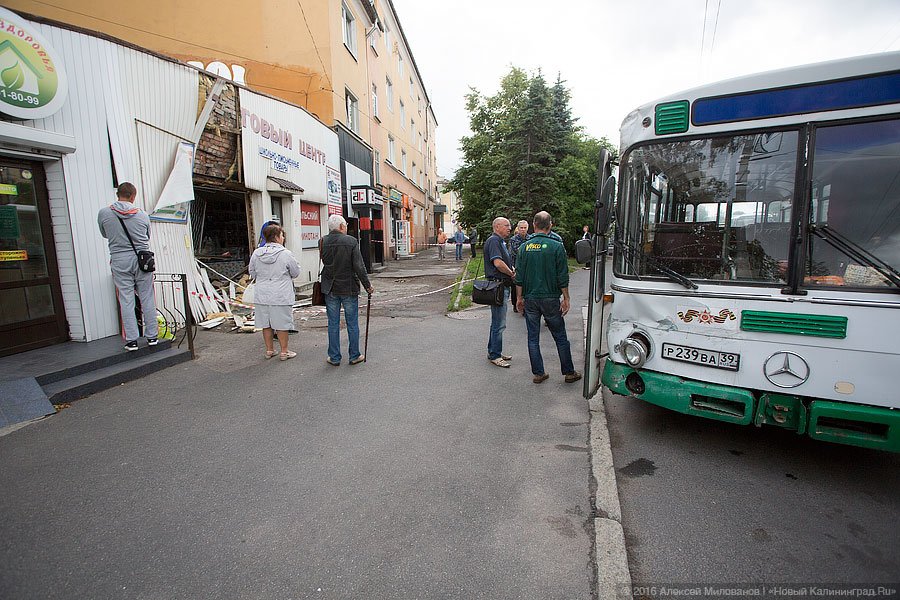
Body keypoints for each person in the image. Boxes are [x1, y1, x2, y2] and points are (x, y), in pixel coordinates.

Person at [515, 211, 581, 384]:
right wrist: (566, 298)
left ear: (534, 225)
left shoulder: (524, 247)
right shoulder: (557, 246)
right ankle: (569, 372)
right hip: (551, 299)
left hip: (530, 299)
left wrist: (519, 298)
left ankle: (539, 373)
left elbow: (519, 276)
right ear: (550, 225)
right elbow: (562, 276)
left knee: (532, 337)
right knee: (560, 336)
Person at [97, 182, 159, 352]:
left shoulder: (104, 213)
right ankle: (152, 336)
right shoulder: (142, 215)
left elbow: (104, 234)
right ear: (133, 196)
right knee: (147, 297)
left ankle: (132, 340)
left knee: (126, 299)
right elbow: (147, 235)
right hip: (142, 259)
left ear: (118, 194)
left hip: (119, 259)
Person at [321, 214, 374, 365]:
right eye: (345, 225)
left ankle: (334, 357)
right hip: (348, 287)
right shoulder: (351, 241)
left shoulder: (322, 241)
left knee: (333, 323)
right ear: (341, 226)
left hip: (330, 287)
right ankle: (354, 355)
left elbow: (326, 262)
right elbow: (359, 266)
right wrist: (367, 285)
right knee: (352, 323)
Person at [249, 223, 301, 361]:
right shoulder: (285, 254)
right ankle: (284, 351)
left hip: (262, 293)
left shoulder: (256, 253)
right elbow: (295, 272)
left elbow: (252, 272)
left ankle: (269, 350)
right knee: (282, 324)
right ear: (277, 237)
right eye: (282, 235)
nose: (283, 238)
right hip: (281, 294)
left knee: (265, 324)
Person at [483, 217, 516, 368]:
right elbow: (498, 263)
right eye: (506, 225)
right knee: (499, 323)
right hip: (498, 287)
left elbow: (503, 261)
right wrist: (511, 273)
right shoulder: (494, 241)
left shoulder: (500, 241)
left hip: (501, 286)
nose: (510, 228)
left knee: (497, 322)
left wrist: (510, 268)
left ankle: (494, 350)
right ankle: (495, 355)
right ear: (497, 227)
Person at [507, 220, 529, 313]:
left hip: (528, 267)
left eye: (525, 228)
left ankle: (526, 305)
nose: (523, 229)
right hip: (516, 266)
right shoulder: (513, 240)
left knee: (526, 286)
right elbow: (514, 253)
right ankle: (515, 304)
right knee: (515, 287)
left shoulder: (530, 239)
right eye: (521, 228)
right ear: (518, 228)